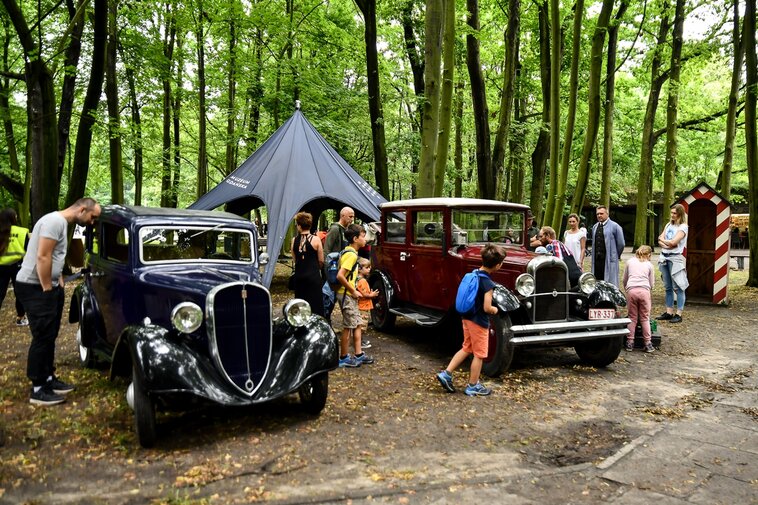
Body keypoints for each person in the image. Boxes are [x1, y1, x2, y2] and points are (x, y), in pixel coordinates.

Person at [15, 198, 101, 406]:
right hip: (35, 287)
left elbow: (54, 257)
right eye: (92, 217)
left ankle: (48, 378)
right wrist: (46, 286)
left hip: (48, 285)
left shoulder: (60, 223)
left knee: (50, 334)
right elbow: (43, 256)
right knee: (42, 336)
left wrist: (58, 278)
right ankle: (38, 389)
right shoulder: (54, 221)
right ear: (82, 209)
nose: (92, 222)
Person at [436, 244, 506, 397]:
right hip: (479, 322)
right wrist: (496, 309)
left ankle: (446, 374)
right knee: (480, 354)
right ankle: (473, 385)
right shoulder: (488, 283)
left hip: (466, 318)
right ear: (498, 265)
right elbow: (487, 307)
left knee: (467, 347)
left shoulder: (474, 274)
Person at [335, 224, 374, 368]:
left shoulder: (350, 252)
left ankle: (358, 354)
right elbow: (340, 276)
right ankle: (343, 357)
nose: (365, 239)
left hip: (348, 295)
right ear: (355, 238)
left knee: (356, 323)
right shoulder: (351, 255)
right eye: (363, 237)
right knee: (348, 326)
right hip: (346, 295)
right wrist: (353, 290)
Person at [656, 204, 689, 324]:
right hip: (664, 257)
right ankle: (669, 312)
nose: (672, 215)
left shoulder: (683, 227)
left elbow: (674, 242)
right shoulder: (669, 225)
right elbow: (660, 239)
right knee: (668, 287)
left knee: (679, 286)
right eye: (671, 213)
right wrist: (667, 243)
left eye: (675, 213)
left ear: (680, 214)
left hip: (675, 259)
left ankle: (679, 314)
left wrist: (666, 243)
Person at [290, 212, 325, 317]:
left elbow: (295, 259)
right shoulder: (316, 240)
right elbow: (321, 260)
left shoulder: (294, 240)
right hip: (313, 277)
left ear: (299, 225)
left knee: (301, 303)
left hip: (299, 277)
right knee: (315, 304)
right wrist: (316, 267)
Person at [623, 245, 655, 353]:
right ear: (649, 254)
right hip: (644, 291)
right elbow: (651, 283)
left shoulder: (630, 262)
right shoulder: (649, 265)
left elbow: (625, 279)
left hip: (631, 290)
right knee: (645, 318)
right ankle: (648, 343)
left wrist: (627, 289)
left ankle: (630, 342)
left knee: (632, 317)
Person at [0, 208, 29, 326]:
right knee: (20, 292)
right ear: (13, 218)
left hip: (0, 267)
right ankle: (20, 317)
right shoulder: (22, 232)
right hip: (18, 266)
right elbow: (28, 250)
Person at [590, 205, 625, 287]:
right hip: (597, 261)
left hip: (609, 260)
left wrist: (616, 255)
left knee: (609, 283)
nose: (599, 215)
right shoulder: (595, 227)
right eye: (597, 214)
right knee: (597, 281)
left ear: (607, 214)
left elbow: (621, 244)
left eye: (601, 213)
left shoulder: (615, 226)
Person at [355, 257, 378, 349]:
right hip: (363, 306)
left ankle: (360, 340)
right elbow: (364, 294)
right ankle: (359, 342)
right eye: (367, 267)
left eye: (369, 267)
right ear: (360, 268)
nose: (369, 269)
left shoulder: (358, 279)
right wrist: (372, 294)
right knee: (362, 326)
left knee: (361, 325)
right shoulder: (362, 281)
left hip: (362, 306)